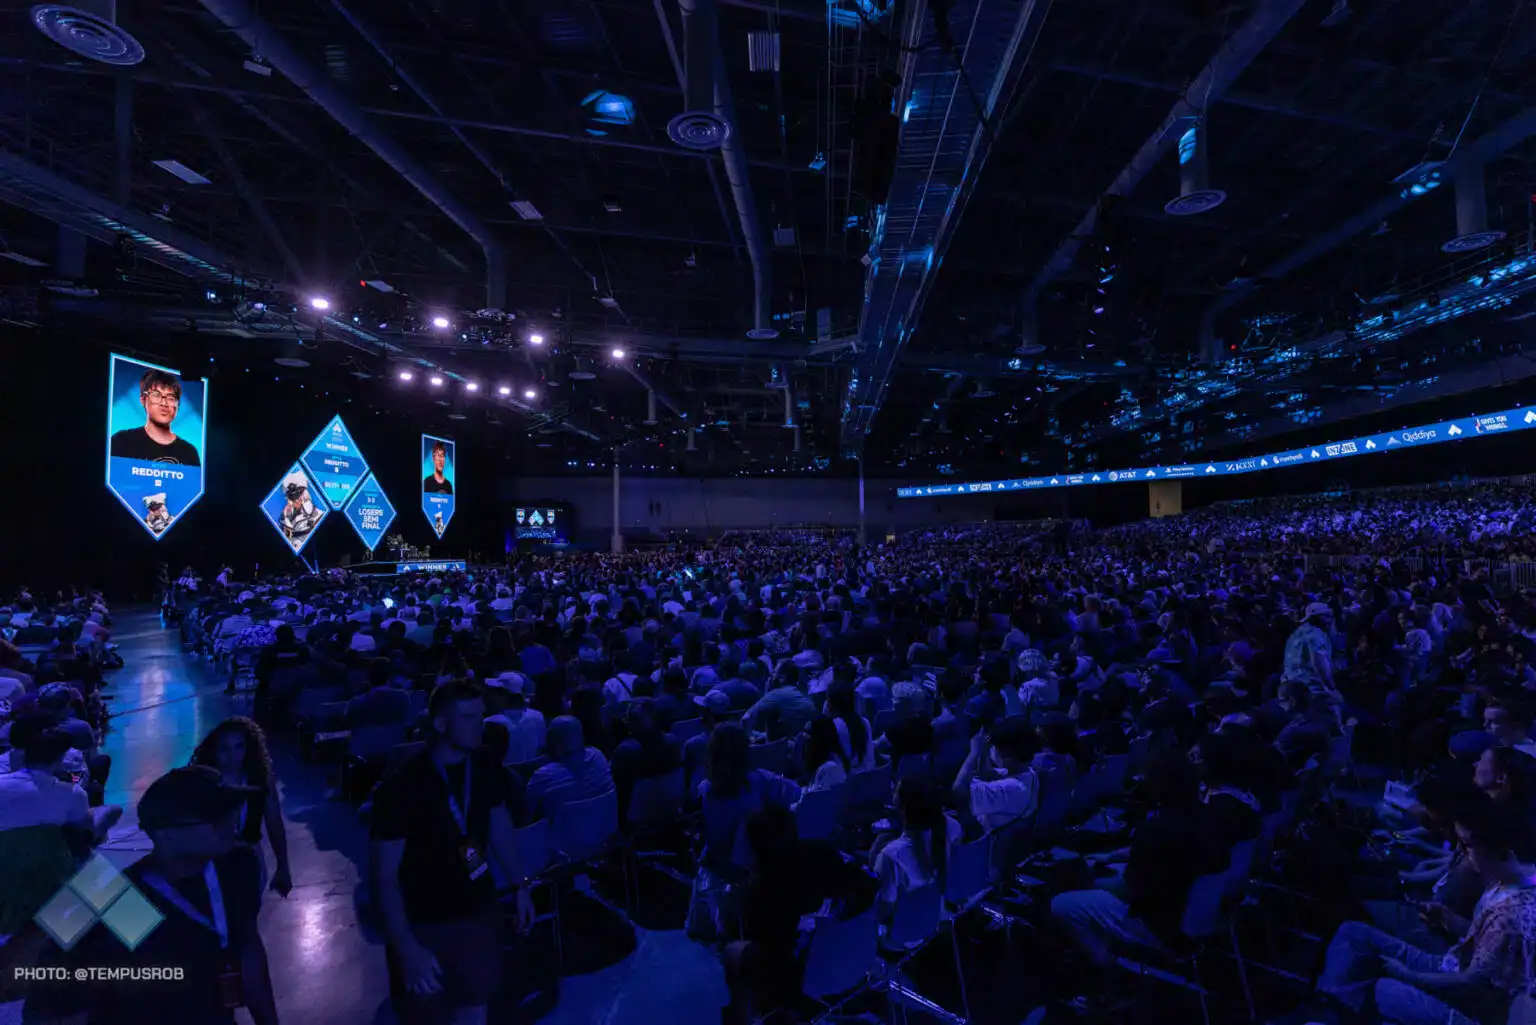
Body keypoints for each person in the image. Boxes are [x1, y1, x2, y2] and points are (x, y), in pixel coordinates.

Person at [29, 766, 277, 1024]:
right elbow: (47, 1006)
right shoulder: (106, 896)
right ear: (165, 835)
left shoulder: (236, 866)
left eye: (230, 811)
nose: (230, 823)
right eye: (214, 819)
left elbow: (248, 948)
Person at [370, 680, 535, 1025]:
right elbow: (384, 876)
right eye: (468, 718)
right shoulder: (403, 786)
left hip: (480, 913)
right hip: (424, 924)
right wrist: (406, 948)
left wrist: (520, 884)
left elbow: (499, 822)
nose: (479, 726)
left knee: (477, 1006)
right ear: (441, 723)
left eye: (481, 716)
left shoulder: (485, 763)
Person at [1316, 805, 1536, 1025]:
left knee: (1382, 988)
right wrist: (1447, 918)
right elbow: (1486, 942)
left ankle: (1331, 1014)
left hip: (1472, 1006)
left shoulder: (1512, 914)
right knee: (1353, 933)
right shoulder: (1505, 880)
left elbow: (1473, 984)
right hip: (1453, 963)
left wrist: (1410, 976)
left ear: (1504, 853)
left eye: (1468, 846)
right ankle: (1331, 1013)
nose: (1464, 853)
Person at [189, 717, 292, 897]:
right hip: (213, 866)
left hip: (251, 862)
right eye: (224, 749)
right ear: (214, 750)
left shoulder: (259, 779)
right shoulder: (202, 782)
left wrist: (283, 866)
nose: (233, 756)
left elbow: (274, 823)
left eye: (239, 747)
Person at [0, 711, 120, 843]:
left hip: (7, 853)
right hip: (57, 853)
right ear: (60, 757)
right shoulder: (73, 793)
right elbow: (86, 828)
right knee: (111, 810)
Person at [872, 778, 961, 935]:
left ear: (902, 806)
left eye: (895, 790)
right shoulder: (953, 826)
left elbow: (883, 915)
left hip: (904, 936)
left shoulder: (891, 856)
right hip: (939, 916)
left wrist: (873, 861)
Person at [953, 716, 1039, 832]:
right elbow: (985, 774)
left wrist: (973, 753)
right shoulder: (1028, 773)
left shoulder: (1012, 789)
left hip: (980, 835)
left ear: (1006, 755)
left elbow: (958, 791)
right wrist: (984, 750)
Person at [524, 715, 615, 822]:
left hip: (560, 833)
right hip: (605, 828)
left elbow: (526, 813)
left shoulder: (542, 776)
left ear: (549, 742)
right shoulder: (598, 756)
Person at [109, 367, 201, 466]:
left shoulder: (189, 452)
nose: (164, 403)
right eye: (156, 395)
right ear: (143, 400)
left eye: (171, 398)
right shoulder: (122, 442)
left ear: (178, 405)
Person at [801, 715, 851, 792]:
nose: (803, 736)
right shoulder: (819, 764)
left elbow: (816, 798)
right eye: (804, 731)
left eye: (809, 732)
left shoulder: (831, 769)